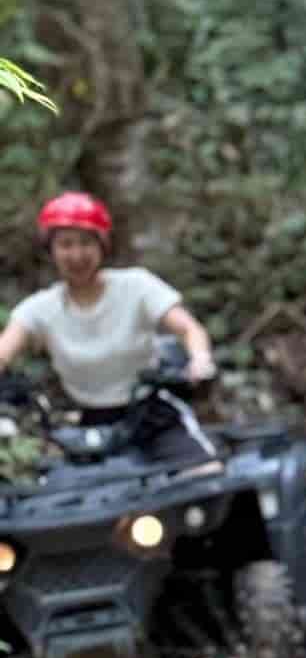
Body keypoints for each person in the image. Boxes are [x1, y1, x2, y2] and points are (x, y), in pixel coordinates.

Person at [0, 192, 218, 462]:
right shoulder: (40, 308)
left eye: (86, 243)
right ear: (51, 250)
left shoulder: (137, 286)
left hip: (151, 412)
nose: (76, 254)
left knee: (206, 475)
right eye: (65, 244)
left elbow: (189, 329)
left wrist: (200, 359)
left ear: (102, 246)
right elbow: (4, 350)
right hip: (91, 424)